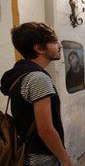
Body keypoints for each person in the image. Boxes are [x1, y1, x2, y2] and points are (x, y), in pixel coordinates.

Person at [0, 22, 72, 166]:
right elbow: (45, 130)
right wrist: (65, 159)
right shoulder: (38, 79)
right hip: (42, 158)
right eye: (54, 41)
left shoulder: (21, 74)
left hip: (28, 152)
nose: (60, 45)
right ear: (38, 48)